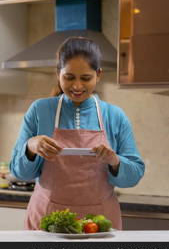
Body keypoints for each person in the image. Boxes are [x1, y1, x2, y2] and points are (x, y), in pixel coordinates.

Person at [10, 36, 145, 230]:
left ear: (98, 75)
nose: (77, 86)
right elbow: (19, 173)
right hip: (47, 222)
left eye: (86, 78)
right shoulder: (40, 110)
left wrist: (114, 161)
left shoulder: (114, 115)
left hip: (99, 223)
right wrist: (30, 147)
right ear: (58, 73)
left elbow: (134, 176)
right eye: (69, 77)